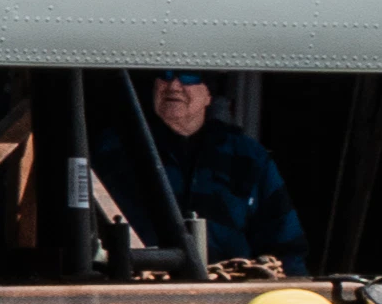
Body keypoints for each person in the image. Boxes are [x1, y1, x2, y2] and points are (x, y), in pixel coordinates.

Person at [108, 69, 304, 273]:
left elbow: (286, 246)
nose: (173, 85)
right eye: (165, 74)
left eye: (188, 76)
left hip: (227, 293)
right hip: (139, 292)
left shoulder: (248, 157)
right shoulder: (116, 150)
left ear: (209, 94)